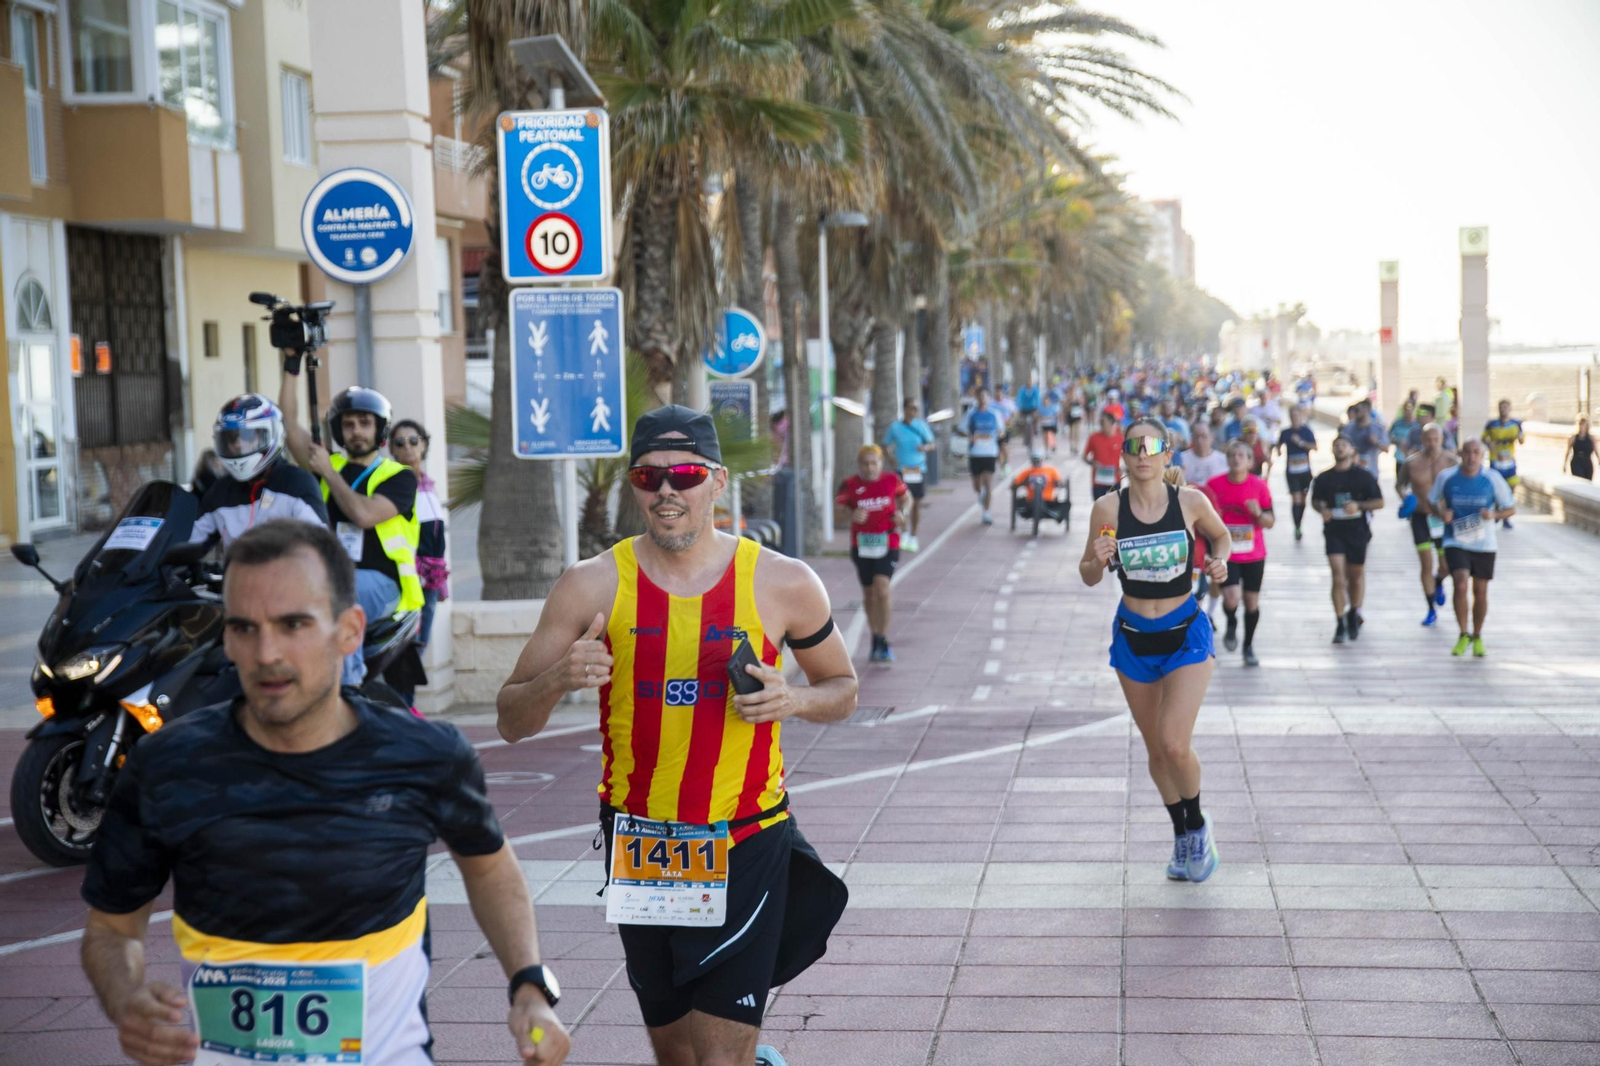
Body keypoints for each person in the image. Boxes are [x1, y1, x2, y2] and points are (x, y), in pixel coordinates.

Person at [79, 519, 569, 1066]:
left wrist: (529, 985)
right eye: (245, 627)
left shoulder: (425, 755)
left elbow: (488, 867)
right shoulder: (168, 764)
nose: (267, 652)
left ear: (350, 631)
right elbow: (111, 930)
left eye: (293, 624)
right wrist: (126, 1000)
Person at [493, 406, 854, 1066]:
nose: (665, 490)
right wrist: (557, 681)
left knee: (716, 1057)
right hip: (641, 847)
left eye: (684, 474)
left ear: (716, 481)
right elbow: (509, 720)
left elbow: (844, 689)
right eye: (646, 476)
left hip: (745, 838)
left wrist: (793, 697)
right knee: (676, 1055)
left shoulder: (784, 582)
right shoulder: (590, 584)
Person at [1079, 418, 1231, 883]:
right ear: (1123, 455)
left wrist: (1219, 559)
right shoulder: (1107, 507)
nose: (1142, 454)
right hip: (1133, 638)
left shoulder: (1189, 502)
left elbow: (1220, 535)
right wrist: (1095, 561)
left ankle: (1200, 827)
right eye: (1133, 446)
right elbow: (1087, 573)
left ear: (1168, 454)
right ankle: (1181, 834)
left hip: (1185, 632)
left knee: (1173, 741)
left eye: (1152, 446)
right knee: (1155, 751)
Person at [281, 362, 423, 687]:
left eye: (364, 423)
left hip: (384, 583)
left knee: (339, 606)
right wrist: (291, 365)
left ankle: (348, 691)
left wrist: (329, 474)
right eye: (348, 424)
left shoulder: (399, 476)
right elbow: (288, 425)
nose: (356, 430)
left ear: (380, 429)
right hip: (331, 577)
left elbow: (364, 515)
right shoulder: (327, 462)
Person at [191, 394, 328, 548]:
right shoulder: (220, 492)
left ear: (271, 434)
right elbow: (190, 540)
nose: (238, 443)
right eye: (231, 438)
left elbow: (319, 544)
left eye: (248, 435)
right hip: (236, 572)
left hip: (285, 571)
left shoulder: (295, 483)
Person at [1431, 438, 1516, 657]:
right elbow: (1431, 502)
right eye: (1467, 452)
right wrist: (1442, 514)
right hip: (1455, 539)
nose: (1471, 457)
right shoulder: (1446, 477)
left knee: (1480, 590)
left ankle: (1477, 635)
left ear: (1482, 455)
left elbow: (1510, 508)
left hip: (1484, 542)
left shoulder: (1492, 479)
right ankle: (1462, 633)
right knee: (1460, 584)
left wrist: (1494, 515)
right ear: (1460, 453)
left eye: (1476, 452)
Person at [837, 445, 910, 662]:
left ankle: (882, 638)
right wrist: (851, 513)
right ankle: (875, 634)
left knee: (883, 590)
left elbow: (906, 498)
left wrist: (902, 513)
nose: (870, 468)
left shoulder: (891, 480)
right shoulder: (849, 485)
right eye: (865, 463)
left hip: (888, 541)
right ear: (859, 465)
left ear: (880, 463)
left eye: (874, 463)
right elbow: (837, 509)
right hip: (861, 544)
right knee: (869, 594)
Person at [1206, 440, 1274, 667]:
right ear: (1227, 459)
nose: (1236, 459)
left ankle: (1248, 645)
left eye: (1241, 456)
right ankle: (1232, 620)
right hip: (1227, 552)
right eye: (1232, 455)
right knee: (1232, 597)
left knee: (1251, 601)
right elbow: (1204, 519)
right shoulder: (1214, 485)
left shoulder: (1259, 486)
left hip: (1254, 553)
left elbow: (1270, 521)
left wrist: (1257, 514)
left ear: (1250, 461)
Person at [1311, 436, 1385, 643]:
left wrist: (1359, 506)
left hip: (1357, 531)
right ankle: (1339, 620)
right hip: (1334, 530)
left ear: (1352, 450)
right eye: (1336, 445)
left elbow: (1380, 502)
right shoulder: (1324, 478)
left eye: (1344, 445)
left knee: (1356, 575)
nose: (1340, 448)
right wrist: (1322, 509)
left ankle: (1354, 612)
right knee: (1337, 575)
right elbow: (1315, 501)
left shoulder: (1364, 476)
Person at [390, 419, 448, 652]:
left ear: (424, 444)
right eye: (400, 443)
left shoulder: (428, 485)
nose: (408, 447)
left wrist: (441, 585)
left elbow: (436, 538)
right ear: (392, 449)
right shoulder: (393, 484)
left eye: (414, 441)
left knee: (420, 648)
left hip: (431, 582)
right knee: (407, 651)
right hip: (409, 581)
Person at [1405, 423, 1458, 627]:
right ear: (1422, 440)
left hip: (1442, 519)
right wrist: (1405, 498)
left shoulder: (1452, 461)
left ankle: (1438, 582)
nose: (1432, 443)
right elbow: (1399, 485)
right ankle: (1430, 608)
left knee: (1445, 565)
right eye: (1428, 439)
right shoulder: (1412, 463)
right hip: (1420, 517)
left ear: (1442, 439)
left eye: (1436, 439)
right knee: (1426, 563)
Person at [883, 397, 936, 551]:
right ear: (905, 409)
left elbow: (931, 444)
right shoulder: (895, 427)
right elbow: (886, 444)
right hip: (902, 469)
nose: (914, 411)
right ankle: (904, 533)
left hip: (918, 469)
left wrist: (924, 448)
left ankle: (913, 535)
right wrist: (891, 458)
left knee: (916, 504)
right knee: (902, 503)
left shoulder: (921, 426)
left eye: (916, 408)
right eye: (911, 408)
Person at [956, 388, 1004, 524]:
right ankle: (980, 493)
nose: (982, 398)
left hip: (989, 452)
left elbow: (1001, 431)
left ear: (988, 397)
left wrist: (999, 435)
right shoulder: (971, 414)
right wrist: (970, 436)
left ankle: (986, 513)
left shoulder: (994, 413)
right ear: (976, 397)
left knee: (988, 483)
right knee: (977, 485)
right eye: (980, 396)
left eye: (985, 396)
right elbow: (960, 430)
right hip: (975, 453)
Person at [1275, 406, 1317, 540]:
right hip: (1291, 472)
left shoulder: (1306, 431)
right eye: (1292, 416)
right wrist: (1278, 450)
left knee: (1302, 500)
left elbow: (1315, 447)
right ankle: (1297, 526)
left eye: (1297, 416)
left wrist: (1300, 442)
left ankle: (1300, 521)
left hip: (1305, 471)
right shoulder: (1285, 432)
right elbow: (1279, 445)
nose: (1295, 418)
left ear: (1301, 416)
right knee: (1296, 499)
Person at [1482, 399, 1524, 529]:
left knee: (1511, 488)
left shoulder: (1515, 424)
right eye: (1501, 407)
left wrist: (1520, 433)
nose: (1503, 409)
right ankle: (1496, 514)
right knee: (1495, 488)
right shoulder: (1491, 424)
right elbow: (1483, 438)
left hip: (1509, 461)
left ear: (1510, 409)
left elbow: (1522, 440)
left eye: (1506, 407)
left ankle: (1506, 517)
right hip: (1496, 461)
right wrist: (1490, 445)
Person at [1083, 410, 1125, 501]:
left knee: (1116, 508)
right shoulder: (1094, 437)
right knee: (1099, 507)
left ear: (1111, 423)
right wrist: (1092, 463)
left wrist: (1124, 468)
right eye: (1100, 422)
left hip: (1115, 479)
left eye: (1103, 422)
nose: (1101, 424)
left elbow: (1128, 456)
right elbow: (1084, 456)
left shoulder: (1120, 439)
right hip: (1098, 480)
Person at [1341, 402, 1387, 476]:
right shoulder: (1348, 428)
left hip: (1371, 472)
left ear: (1366, 411)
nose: (1355, 413)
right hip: (1351, 471)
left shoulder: (1377, 428)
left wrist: (1376, 442)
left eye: (1357, 410)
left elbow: (1386, 448)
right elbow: (1341, 444)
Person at [1389, 400, 1421, 500]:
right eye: (1406, 409)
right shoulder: (1397, 423)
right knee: (1400, 482)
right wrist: (1397, 441)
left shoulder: (1417, 425)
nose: (1408, 412)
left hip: (1415, 460)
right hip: (1400, 458)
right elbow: (1389, 436)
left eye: (1410, 409)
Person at [1016, 374, 1041, 450]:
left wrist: (1037, 407)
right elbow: (1019, 399)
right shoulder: (1022, 390)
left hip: (1032, 408)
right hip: (1024, 409)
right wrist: (1019, 407)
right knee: (1022, 422)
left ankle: (1035, 428)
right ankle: (1024, 435)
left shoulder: (1035, 390)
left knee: (1035, 418)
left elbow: (1037, 399)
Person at [1038, 387, 1062, 454]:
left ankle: (1053, 445)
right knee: (1045, 437)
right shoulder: (1040, 407)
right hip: (1044, 424)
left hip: (1052, 424)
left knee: (1052, 435)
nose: (1045, 402)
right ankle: (1046, 450)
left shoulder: (1053, 407)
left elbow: (1057, 414)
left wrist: (1055, 419)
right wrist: (1041, 419)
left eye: (1047, 400)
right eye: (1044, 400)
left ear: (1049, 401)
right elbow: (1039, 416)